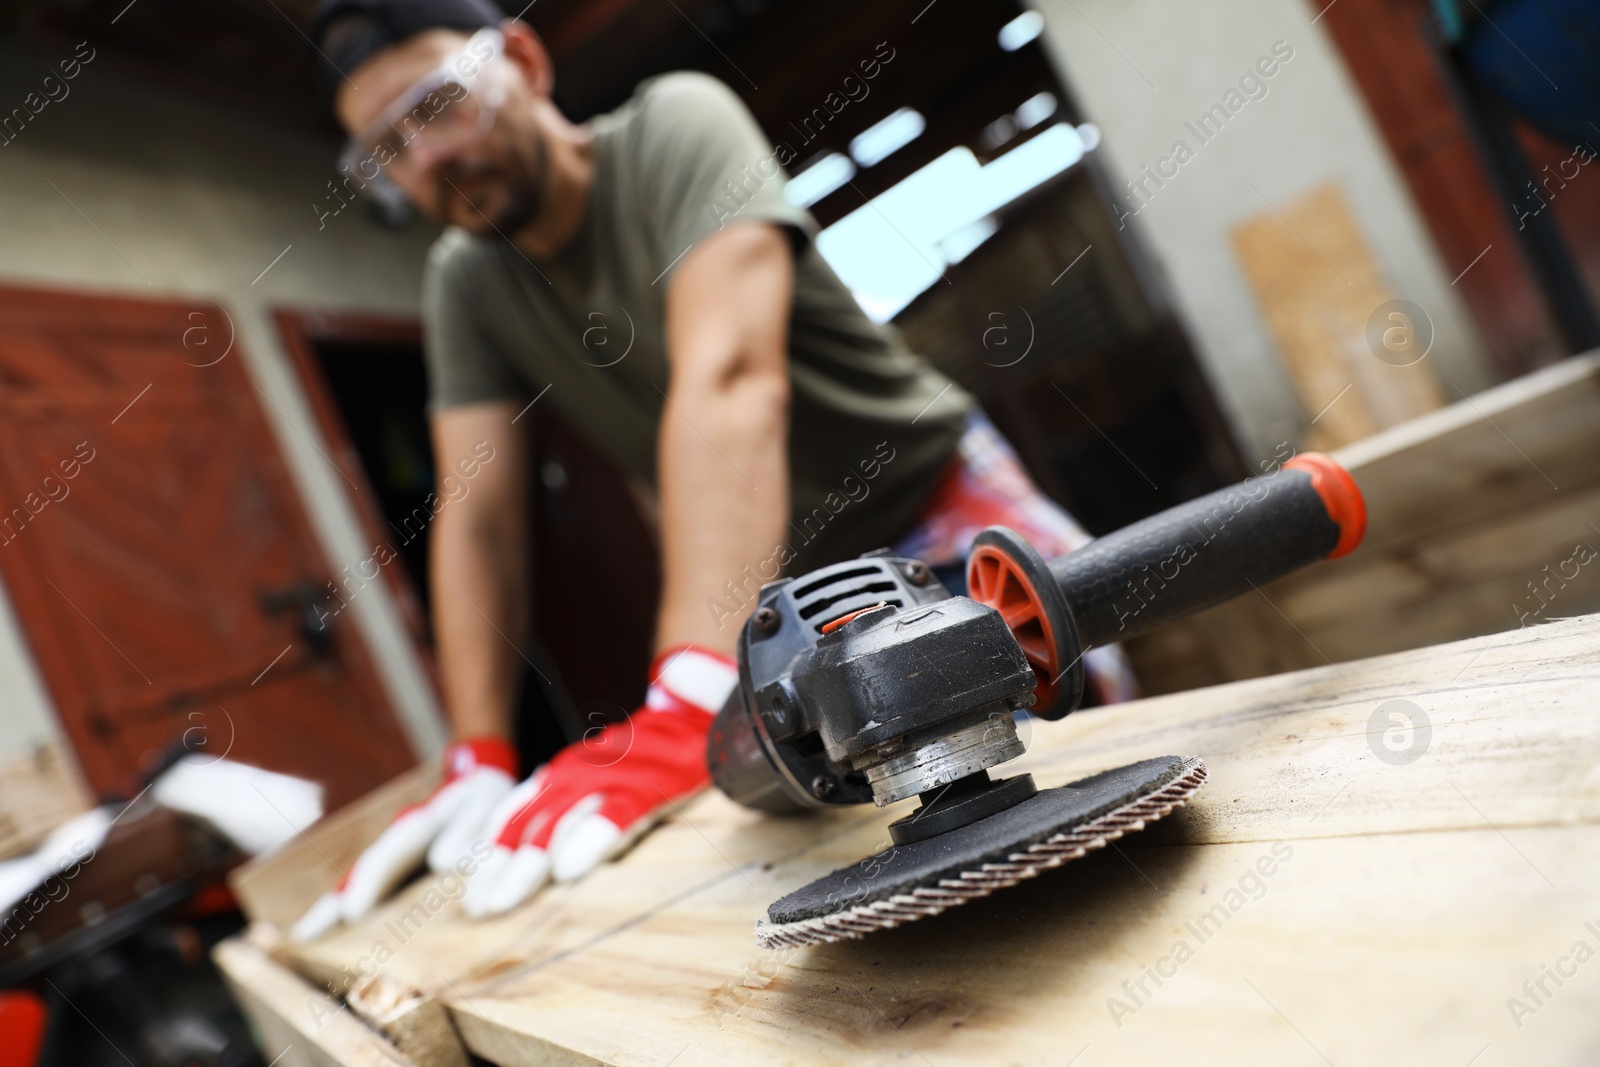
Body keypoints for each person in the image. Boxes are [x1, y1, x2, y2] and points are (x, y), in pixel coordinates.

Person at [293, 0, 1135, 939]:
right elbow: (478, 513)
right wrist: (479, 752)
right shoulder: (466, 281)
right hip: (783, 583)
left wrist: (684, 696)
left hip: (931, 497)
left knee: (1092, 736)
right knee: (874, 832)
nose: (428, 159)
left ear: (524, 61)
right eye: (387, 150)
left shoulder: (673, 128)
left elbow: (730, 383)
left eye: (439, 104)